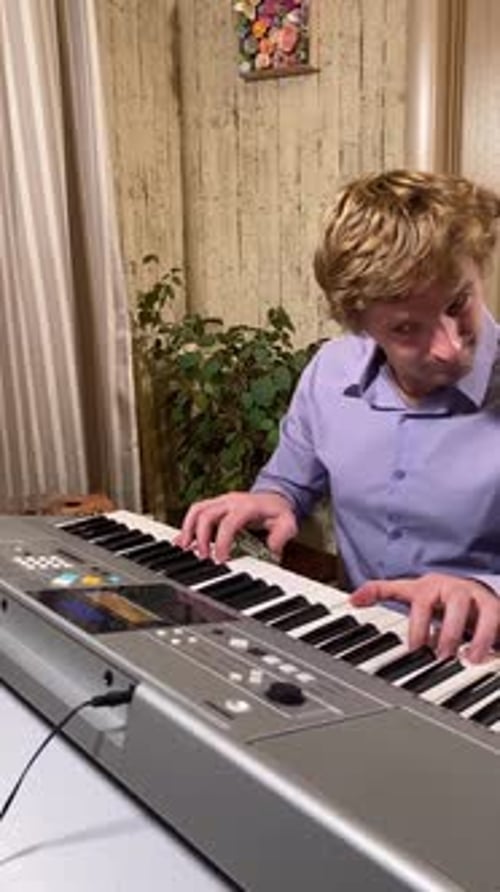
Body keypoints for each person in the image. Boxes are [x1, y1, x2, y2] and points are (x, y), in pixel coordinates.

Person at [177, 169, 500, 663]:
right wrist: (272, 500)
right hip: (359, 644)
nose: (450, 346)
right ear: (359, 322)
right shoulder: (330, 371)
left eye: (459, 303)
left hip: (481, 664)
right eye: (407, 328)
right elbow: (287, 484)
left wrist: (486, 590)